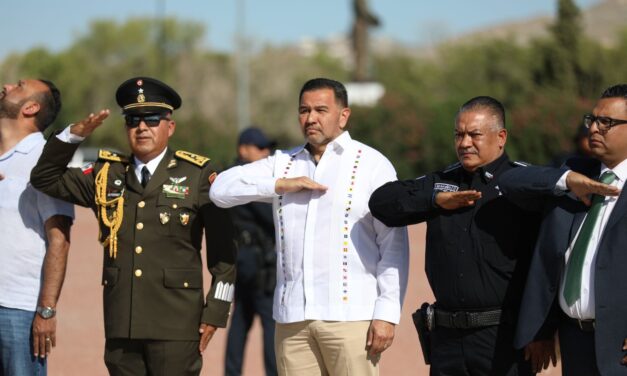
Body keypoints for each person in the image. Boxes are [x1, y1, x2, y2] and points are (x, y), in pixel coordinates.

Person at [30, 76, 237, 375]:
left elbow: (225, 253)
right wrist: (71, 136)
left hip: (176, 323)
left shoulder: (198, 176)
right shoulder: (105, 174)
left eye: (152, 119)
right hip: (122, 323)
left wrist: (216, 311)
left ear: (170, 126)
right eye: (133, 120)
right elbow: (45, 178)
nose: (142, 127)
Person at [210, 78, 409, 376]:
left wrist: (387, 314)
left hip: (351, 319)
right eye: (304, 110)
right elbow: (220, 190)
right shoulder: (284, 163)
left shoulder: (372, 165)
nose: (311, 118)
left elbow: (393, 245)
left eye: (320, 110)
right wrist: (280, 185)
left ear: (343, 115)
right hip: (292, 321)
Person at [369, 96, 542, 375]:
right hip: (447, 340)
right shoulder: (443, 182)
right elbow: (381, 203)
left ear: (501, 137)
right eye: (458, 135)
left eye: (474, 135)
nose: (464, 143)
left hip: (502, 338)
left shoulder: (522, 184)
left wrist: (542, 330)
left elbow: (547, 265)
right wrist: (436, 200)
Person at [498, 84, 627, 375]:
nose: (593, 128)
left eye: (606, 122)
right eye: (591, 119)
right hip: (574, 341)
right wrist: (568, 180)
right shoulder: (574, 173)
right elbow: (509, 182)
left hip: (619, 348)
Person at [0, 78, 74, 375]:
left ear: (31, 107)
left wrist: (46, 310)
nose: (5, 86)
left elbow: (59, 240)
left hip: (17, 309)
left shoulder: (44, 161)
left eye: (17, 86)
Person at [225, 127, 278, 376]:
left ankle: (232, 372)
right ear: (243, 149)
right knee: (270, 324)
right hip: (258, 264)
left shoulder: (230, 177)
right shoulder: (247, 180)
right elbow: (271, 218)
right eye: (260, 148)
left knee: (240, 321)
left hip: (242, 262)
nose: (266, 152)